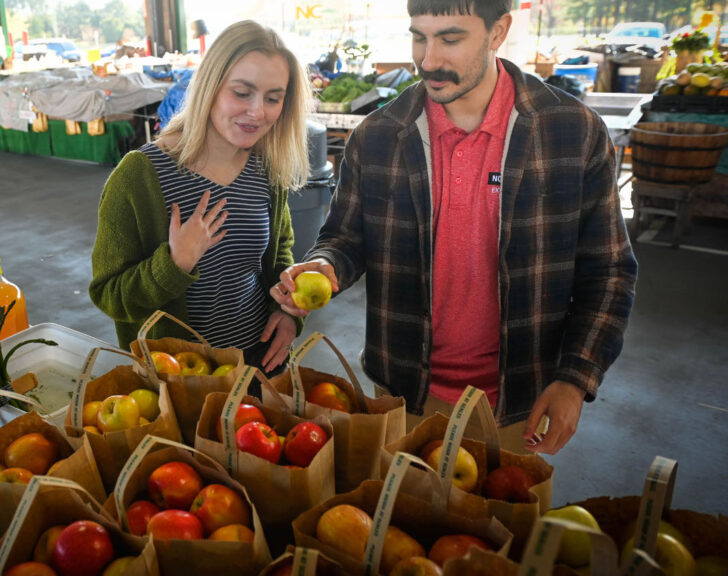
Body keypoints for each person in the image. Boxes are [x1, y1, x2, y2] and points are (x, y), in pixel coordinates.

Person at [271, 0, 637, 454]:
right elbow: (345, 239)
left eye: (450, 39)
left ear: (498, 31)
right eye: (418, 37)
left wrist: (576, 378)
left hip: (519, 402)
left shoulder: (572, 132)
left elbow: (609, 270)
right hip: (403, 392)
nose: (428, 60)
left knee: (500, 522)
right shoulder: (379, 135)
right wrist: (325, 265)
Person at [90, 20, 309, 374]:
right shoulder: (139, 176)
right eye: (242, 93)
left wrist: (285, 313)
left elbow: (280, 250)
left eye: (273, 98)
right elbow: (110, 295)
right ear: (210, 86)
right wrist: (174, 264)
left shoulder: (267, 170)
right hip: (177, 382)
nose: (258, 112)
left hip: (258, 367)